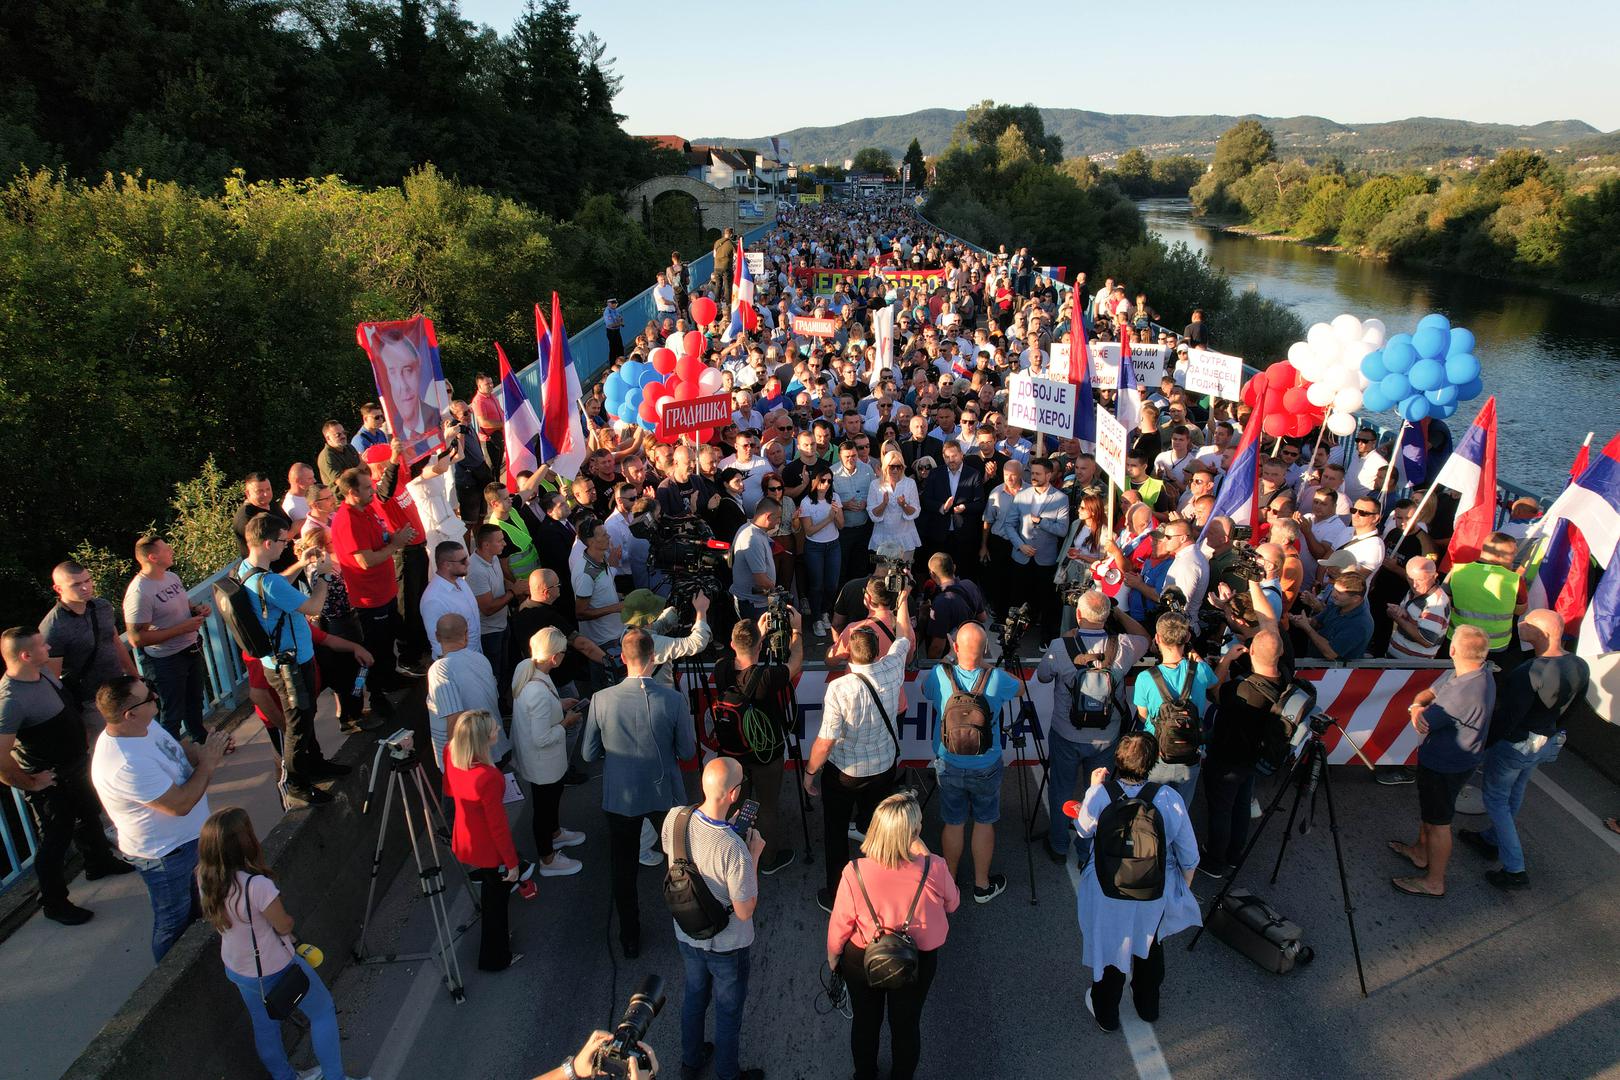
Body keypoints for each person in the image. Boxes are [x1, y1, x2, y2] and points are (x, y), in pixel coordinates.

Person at [198, 807, 371, 1080]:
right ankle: (335, 1078)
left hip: (238, 968)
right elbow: (284, 925)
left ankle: (286, 1078)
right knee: (322, 1010)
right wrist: (286, 922)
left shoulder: (205, 877)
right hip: (274, 967)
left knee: (265, 1026)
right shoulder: (257, 886)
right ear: (245, 842)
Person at [90, 675, 230, 960]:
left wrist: (205, 750)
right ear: (129, 714)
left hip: (185, 841)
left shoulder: (145, 726)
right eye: (149, 696)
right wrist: (209, 762)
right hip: (165, 855)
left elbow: (177, 752)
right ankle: (171, 984)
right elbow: (180, 804)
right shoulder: (125, 763)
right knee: (172, 922)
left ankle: (200, 962)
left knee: (198, 907)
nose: (155, 695)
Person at [0, 627, 134, 924]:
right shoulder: (10, 700)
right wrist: (32, 782)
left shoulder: (43, 672)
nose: (48, 647)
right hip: (51, 781)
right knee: (55, 841)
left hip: (75, 766)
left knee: (89, 814)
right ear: (25, 655)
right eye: (41, 646)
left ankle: (98, 861)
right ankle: (54, 902)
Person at [1072, 733, 1201, 1033]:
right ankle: (1148, 1006)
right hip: (1152, 890)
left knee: (1109, 948)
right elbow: (1190, 857)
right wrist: (1178, 892)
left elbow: (1082, 830)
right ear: (1153, 763)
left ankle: (1106, 1014)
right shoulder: (1169, 799)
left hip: (1108, 889)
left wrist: (1092, 788)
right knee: (1150, 946)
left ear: (1118, 760)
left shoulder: (1102, 794)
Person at [826, 791, 958, 1080]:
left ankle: (865, 1074)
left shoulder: (854, 871)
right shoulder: (933, 867)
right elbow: (953, 903)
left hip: (862, 958)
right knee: (906, 1025)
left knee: (865, 1022)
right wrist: (925, 852)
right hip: (916, 959)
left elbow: (840, 925)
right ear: (912, 833)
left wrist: (834, 958)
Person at [582, 628, 697, 958]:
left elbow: (589, 754)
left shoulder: (601, 700)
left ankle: (629, 937)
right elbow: (687, 751)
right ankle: (689, 924)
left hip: (620, 797)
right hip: (664, 794)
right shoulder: (673, 700)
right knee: (677, 862)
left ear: (622, 658)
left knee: (623, 868)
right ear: (654, 658)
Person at [1460, 609, 1589, 889]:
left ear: (1541, 633)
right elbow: (1573, 708)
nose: (1521, 626)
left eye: (1527, 624)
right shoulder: (1579, 664)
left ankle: (1514, 868)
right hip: (1545, 740)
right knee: (1515, 792)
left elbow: (1507, 717)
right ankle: (1492, 839)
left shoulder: (1529, 671)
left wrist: (1483, 744)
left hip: (1515, 745)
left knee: (1496, 800)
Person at [805, 587, 915, 913]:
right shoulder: (893, 666)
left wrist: (811, 774)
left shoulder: (840, 688)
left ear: (850, 654)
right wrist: (904, 603)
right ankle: (878, 887)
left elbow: (825, 740)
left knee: (836, 834)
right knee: (877, 830)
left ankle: (839, 893)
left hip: (845, 774)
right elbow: (904, 637)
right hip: (883, 770)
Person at [660, 757, 768, 1080]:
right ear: (734, 795)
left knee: (694, 996)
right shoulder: (734, 848)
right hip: (726, 945)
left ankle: (690, 1062)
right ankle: (727, 1073)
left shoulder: (675, 819)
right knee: (727, 1011)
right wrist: (755, 855)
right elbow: (745, 909)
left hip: (687, 933)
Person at [238, 514, 350, 804]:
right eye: (281, 542)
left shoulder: (248, 571)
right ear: (266, 542)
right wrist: (323, 576)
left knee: (306, 715)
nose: (284, 547)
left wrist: (301, 564)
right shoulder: (268, 582)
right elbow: (313, 604)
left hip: (285, 660)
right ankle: (298, 783)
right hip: (290, 664)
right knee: (297, 725)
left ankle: (316, 763)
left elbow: (275, 584)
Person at [1035, 590, 1149, 863]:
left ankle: (1059, 844)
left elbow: (1041, 676)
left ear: (1078, 615)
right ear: (1107, 616)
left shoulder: (1060, 647)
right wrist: (1119, 614)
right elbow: (1146, 637)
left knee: (1061, 788)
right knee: (1097, 791)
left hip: (1066, 732)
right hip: (1106, 735)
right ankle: (1088, 849)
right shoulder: (1123, 645)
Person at [1390, 625, 1496, 899]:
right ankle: (1419, 852)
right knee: (1431, 812)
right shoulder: (1477, 672)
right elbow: (1433, 692)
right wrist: (1419, 703)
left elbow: (1423, 722)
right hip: (1451, 760)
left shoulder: (1462, 692)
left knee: (1439, 822)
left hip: (1445, 765)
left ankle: (1434, 881)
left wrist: (1415, 708)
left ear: (1452, 650)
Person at [921, 622, 1019, 903]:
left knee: (953, 822)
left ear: (955, 647)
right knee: (984, 821)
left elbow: (927, 693)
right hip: (985, 763)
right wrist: (988, 667)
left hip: (948, 761)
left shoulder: (940, 673)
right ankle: (981, 884)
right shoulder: (998, 678)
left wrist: (947, 662)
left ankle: (950, 882)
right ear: (986, 649)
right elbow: (1021, 690)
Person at [711, 610, 804, 877]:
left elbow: (743, 658)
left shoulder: (721, 667)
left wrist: (757, 637)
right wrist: (796, 630)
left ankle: (737, 856)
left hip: (731, 754)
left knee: (738, 805)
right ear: (761, 646)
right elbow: (796, 662)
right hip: (766, 755)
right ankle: (767, 859)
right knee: (767, 806)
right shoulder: (767, 676)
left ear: (731, 644)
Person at [444, 709, 530, 971]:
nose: (497, 731)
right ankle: (496, 956)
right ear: (482, 739)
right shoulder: (488, 777)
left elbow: (448, 789)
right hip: (489, 847)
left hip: (466, 837)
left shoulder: (451, 753)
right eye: (493, 730)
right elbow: (498, 826)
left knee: (492, 893)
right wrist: (512, 862)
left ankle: (497, 947)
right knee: (497, 902)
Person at [1201, 630, 1289, 880]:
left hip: (1227, 759)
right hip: (1254, 758)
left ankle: (1214, 860)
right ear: (1280, 654)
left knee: (1221, 810)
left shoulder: (1242, 689)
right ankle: (1234, 855)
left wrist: (1226, 660)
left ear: (1250, 652)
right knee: (1241, 806)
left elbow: (1214, 691)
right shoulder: (1284, 678)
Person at [330, 467, 418, 704]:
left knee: (387, 643)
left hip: (385, 591)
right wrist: (395, 545)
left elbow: (379, 538)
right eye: (367, 487)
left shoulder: (366, 509)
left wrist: (392, 537)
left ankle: (390, 679)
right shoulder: (347, 520)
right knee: (376, 649)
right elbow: (365, 560)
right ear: (351, 492)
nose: (373, 491)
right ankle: (377, 693)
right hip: (370, 599)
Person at [510, 628, 587, 877]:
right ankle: (548, 859)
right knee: (544, 809)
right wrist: (566, 723)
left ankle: (555, 834)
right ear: (555, 657)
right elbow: (542, 738)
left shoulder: (527, 670)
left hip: (538, 762)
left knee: (549, 803)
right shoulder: (539, 692)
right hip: (543, 763)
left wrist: (559, 705)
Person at [123, 535, 212, 742]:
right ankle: (172, 759)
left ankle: (201, 741)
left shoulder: (170, 577)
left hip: (190, 649)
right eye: (166, 549)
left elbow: (182, 603)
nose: (171, 550)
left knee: (195, 700)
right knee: (172, 713)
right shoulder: (139, 593)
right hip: (166, 660)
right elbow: (136, 638)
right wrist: (181, 629)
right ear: (153, 557)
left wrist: (196, 609)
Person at [1130, 613, 1218, 809]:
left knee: (1151, 811)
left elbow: (1143, 717)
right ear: (1187, 638)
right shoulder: (1201, 670)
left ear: (1157, 638)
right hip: (1190, 754)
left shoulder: (1145, 678)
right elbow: (1215, 681)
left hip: (1157, 754)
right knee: (1181, 811)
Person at [41, 559, 139, 732]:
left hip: (120, 688)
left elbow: (115, 642)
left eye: (87, 580)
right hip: (90, 702)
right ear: (58, 588)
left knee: (139, 733)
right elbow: (53, 678)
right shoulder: (53, 627)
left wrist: (134, 676)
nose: (85, 587)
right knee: (109, 747)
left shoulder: (102, 607)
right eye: (76, 584)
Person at [996, 457, 1069, 641]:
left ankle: (1045, 637)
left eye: (1037, 473)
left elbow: (1062, 530)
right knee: (1016, 598)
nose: (1033, 477)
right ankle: (1011, 635)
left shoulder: (1061, 499)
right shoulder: (1022, 496)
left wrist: (1041, 522)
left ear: (1049, 475)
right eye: (1032, 473)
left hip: (1045, 559)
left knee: (1045, 600)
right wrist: (1020, 545)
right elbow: (1009, 525)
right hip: (1021, 556)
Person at [425, 613, 509, 768]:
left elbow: (454, 718)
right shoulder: (481, 659)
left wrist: (456, 766)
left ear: (437, 636)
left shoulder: (440, 669)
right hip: (496, 747)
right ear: (466, 634)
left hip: (472, 760)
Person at [793, 468, 844, 639]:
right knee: (816, 585)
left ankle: (823, 612)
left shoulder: (835, 498)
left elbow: (842, 525)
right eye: (823, 480)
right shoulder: (807, 502)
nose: (826, 485)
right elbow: (809, 531)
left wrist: (835, 516)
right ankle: (816, 619)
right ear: (815, 481)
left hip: (833, 546)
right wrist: (829, 519)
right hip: (814, 547)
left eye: (830, 481)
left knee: (832, 585)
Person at [1296, 568, 1374, 661]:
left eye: (1340, 593)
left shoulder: (1360, 623)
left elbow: (1331, 653)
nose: (1333, 595)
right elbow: (1318, 622)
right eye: (1334, 589)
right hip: (1316, 664)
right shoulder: (1339, 604)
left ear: (1356, 598)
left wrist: (1307, 628)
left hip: (1335, 673)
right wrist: (1304, 621)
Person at [420, 541, 481, 661]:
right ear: (447, 565)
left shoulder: (460, 581)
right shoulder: (433, 600)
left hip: (475, 653)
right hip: (458, 663)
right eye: (463, 561)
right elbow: (438, 645)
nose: (468, 563)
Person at [1385, 556, 1451, 659]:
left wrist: (1397, 618)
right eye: (1410, 579)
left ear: (1435, 576)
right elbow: (1412, 618)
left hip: (1410, 669)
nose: (1414, 584)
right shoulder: (1416, 591)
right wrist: (1399, 612)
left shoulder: (1436, 603)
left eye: (1420, 580)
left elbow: (1426, 640)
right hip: (1397, 662)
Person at [729, 497, 781, 622]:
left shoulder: (747, 528)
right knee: (761, 639)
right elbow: (761, 580)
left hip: (754, 602)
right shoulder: (753, 539)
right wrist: (776, 593)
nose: (779, 521)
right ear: (768, 516)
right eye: (777, 517)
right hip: (754, 605)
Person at [867, 449, 921, 564]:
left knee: (904, 574)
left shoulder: (910, 483)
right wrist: (884, 503)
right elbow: (872, 514)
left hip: (906, 538)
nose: (895, 470)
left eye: (899, 466)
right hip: (881, 538)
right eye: (892, 466)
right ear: (885, 467)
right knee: (882, 575)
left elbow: (915, 511)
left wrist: (904, 505)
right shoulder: (875, 484)